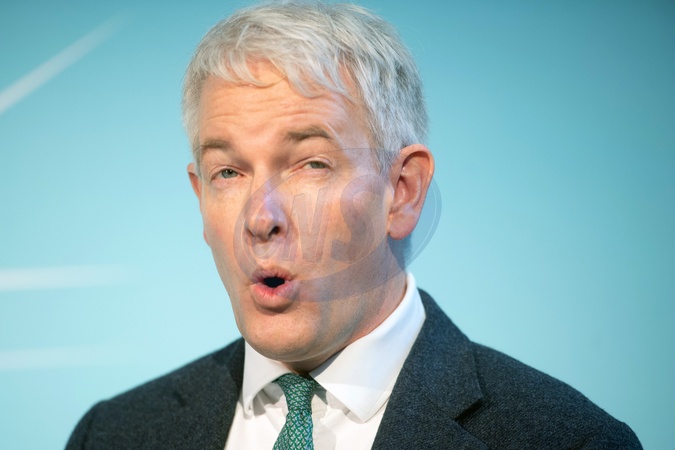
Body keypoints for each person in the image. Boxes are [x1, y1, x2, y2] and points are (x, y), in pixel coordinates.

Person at [66, 2, 641, 449]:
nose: (260, 219)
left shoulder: (569, 441)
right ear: (200, 199)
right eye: (229, 172)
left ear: (402, 191)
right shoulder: (112, 435)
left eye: (311, 164)